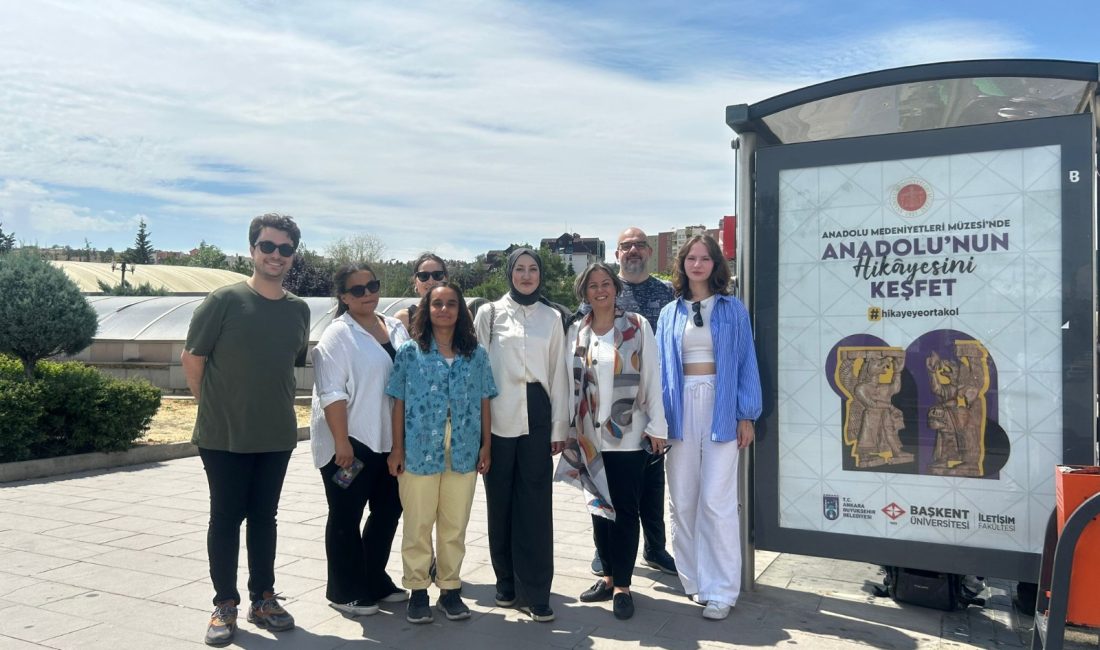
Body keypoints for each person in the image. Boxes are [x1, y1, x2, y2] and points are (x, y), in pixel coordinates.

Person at [181, 213, 311, 647]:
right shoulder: (223, 300)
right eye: (268, 246)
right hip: (224, 437)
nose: (276, 255)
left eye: (285, 248)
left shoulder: (298, 309)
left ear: (293, 254)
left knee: (264, 519)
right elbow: (193, 359)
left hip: (275, 435)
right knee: (225, 517)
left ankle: (263, 598)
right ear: (252, 249)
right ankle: (225, 603)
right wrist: (214, 410)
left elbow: (283, 366)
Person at [655, 234, 761, 621]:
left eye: (705, 259)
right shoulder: (669, 314)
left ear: (716, 265)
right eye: (691, 258)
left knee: (717, 501)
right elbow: (660, 370)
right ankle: (694, 579)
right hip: (678, 408)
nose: (697, 264)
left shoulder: (733, 309)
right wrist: (656, 420)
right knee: (682, 498)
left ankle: (721, 589)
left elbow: (747, 360)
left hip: (721, 406)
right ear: (682, 264)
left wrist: (746, 413)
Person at [386, 283, 497, 624]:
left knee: (454, 525)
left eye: (451, 304)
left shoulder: (475, 354)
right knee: (417, 525)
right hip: (419, 452)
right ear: (426, 309)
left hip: (462, 452)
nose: (444, 310)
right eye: (437, 304)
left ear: (461, 310)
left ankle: (450, 588)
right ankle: (418, 590)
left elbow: (484, 400)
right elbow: (398, 401)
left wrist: (486, 445)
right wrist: (397, 448)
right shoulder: (409, 352)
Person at [563, 263, 667, 620]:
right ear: (584, 292)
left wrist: (658, 425)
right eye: (592, 285)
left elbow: (653, 376)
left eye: (606, 283)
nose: (600, 290)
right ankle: (606, 577)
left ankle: (623, 585)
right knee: (598, 510)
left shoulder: (637, 326)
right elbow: (568, 385)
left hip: (628, 436)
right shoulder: (577, 331)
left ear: (615, 288)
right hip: (590, 436)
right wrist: (563, 431)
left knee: (625, 511)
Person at [473, 247, 571, 622]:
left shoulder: (552, 317)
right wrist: (479, 431)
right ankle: (506, 581)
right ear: (510, 273)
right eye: (520, 269)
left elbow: (559, 374)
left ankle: (536, 589)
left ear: (540, 274)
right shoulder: (490, 313)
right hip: (497, 413)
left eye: (533, 269)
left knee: (534, 502)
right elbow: (479, 370)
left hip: (538, 411)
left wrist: (559, 426)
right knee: (500, 498)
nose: (527, 276)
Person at [309, 262, 410, 620]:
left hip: (390, 441)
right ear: (343, 296)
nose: (367, 294)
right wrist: (342, 444)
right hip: (351, 442)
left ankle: (373, 577)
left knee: (388, 511)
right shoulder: (338, 335)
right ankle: (344, 589)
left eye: (372, 286)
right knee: (345, 515)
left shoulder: (395, 327)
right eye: (357, 290)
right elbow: (332, 393)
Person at [588, 227, 677, 577]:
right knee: (602, 484)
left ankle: (655, 547)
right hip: (607, 411)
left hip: (654, 400)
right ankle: (604, 552)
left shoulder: (667, 293)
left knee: (653, 485)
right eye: (626, 246)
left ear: (650, 252)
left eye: (640, 245)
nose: (634, 251)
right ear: (617, 255)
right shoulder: (604, 293)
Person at [395, 253, 448, 333]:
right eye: (424, 276)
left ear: (446, 279)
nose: (431, 281)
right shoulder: (403, 319)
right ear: (415, 282)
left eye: (437, 275)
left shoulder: (461, 314)